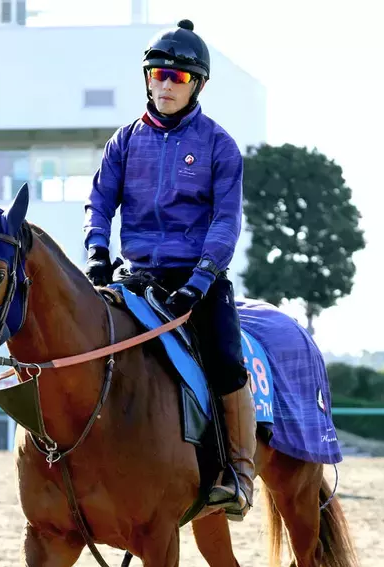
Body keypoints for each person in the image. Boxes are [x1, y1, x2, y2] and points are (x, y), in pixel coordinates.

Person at [83, 19, 255, 520]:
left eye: (177, 78)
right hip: (134, 276)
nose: (164, 84)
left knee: (224, 360)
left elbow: (226, 221)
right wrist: (96, 252)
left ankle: (238, 473)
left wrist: (201, 280)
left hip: (198, 281)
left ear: (197, 84)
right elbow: (99, 202)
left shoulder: (219, 145)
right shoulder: (123, 141)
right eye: (157, 74)